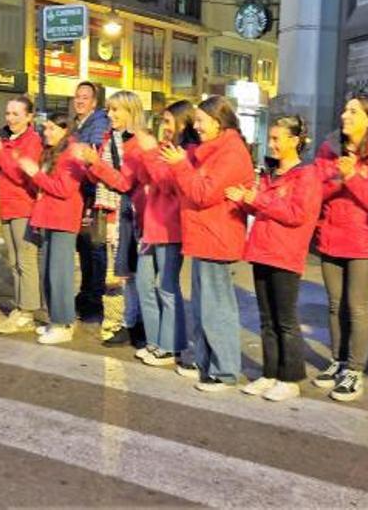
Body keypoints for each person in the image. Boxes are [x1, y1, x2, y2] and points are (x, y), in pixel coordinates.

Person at [159, 96, 255, 392]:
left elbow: (203, 193)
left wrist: (180, 166)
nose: (196, 126)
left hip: (217, 236)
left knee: (217, 308)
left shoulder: (232, 152)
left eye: (201, 120)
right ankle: (204, 363)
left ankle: (224, 371)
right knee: (203, 306)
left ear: (218, 121)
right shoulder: (209, 151)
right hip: (204, 235)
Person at [312, 96, 368, 402]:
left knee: (357, 306)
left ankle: (354, 370)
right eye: (344, 109)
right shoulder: (329, 148)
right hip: (331, 235)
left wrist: (350, 175)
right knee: (335, 304)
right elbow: (317, 188)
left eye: (353, 111)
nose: (344, 115)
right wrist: (341, 177)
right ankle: (337, 359)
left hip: (364, 240)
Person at [230, 115, 322, 402]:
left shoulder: (307, 175)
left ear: (295, 141)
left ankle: (290, 376)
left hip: (285, 255)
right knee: (267, 319)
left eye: (277, 139)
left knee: (285, 319)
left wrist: (255, 199)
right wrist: (245, 199)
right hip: (262, 251)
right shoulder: (271, 174)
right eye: (270, 138)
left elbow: (296, 214)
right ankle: (270, 373)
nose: (272, 144)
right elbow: (265, 211)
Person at [76, 91, 151, 351]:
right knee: (120, 272)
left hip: (130, 215)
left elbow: (124, 183)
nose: (110, 115)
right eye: (109, 110)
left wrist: (96, 163)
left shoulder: (137, 143)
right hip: (109, 212)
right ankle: (126, 322)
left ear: (131, 112)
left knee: (130, 273)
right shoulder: (110, 138)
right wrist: (90, 164)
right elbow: (100, 179)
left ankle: (137, 324)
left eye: (116, 110)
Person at [130, 100, 194, 367]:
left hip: (171, 228)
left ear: (182, 123)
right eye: (162, 122)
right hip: (151, 225)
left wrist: (149, 154)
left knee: (166, 288)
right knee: (145, 284)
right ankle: (155, 340)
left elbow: (168, 184)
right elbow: (148, 179)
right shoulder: (164, 149)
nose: (164, 128)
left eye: (168, 122)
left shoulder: (187, 152)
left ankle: (171, 345)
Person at [19, 113, 87, 344]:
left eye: (52, 129)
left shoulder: (73, 154)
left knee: (60, 274)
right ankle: (55, 319)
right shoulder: (52, 152)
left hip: (63, 219)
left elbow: (64, 189)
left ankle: (63, 322)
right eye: (45, 128)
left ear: (65, 131)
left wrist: (35, 174)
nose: (46, 133)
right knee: (49, 271)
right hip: (48, 218)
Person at [0, 97, 44, 334]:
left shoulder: (32, 141)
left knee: (26, 261)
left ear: (29, 117)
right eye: (8, 113)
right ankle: (20, 307)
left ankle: (28, 311)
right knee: (14, 262)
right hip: (7, 206)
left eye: (16, 114)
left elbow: (20, 176)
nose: (10, 118)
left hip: (24, 208)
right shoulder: (6, 140)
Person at [72, 82, 111, 323]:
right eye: (77, 97)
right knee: (85, 248)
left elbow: (91, 151)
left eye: (85, 97)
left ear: (94, 102)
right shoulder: (79, 123)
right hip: (83, 193)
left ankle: (94, 300)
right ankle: (87, 294)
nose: (79, 101)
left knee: (95, 248)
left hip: (95, 194)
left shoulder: (98, 121)